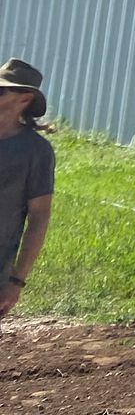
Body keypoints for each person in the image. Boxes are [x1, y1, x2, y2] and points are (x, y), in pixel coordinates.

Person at [0, 59, 54, 324]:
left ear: (24, 99)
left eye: (1, 91)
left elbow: (39, 217)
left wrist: (16, 280)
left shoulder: (36, 152)